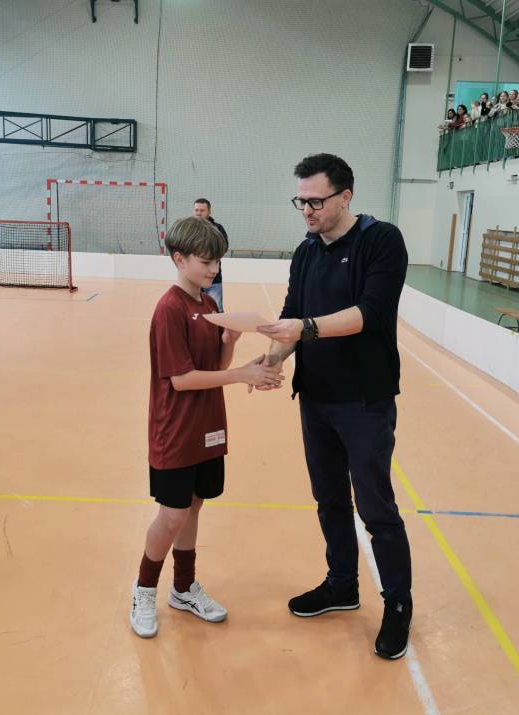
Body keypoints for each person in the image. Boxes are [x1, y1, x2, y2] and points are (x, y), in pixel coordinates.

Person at [256, 154, 413, 660]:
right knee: (329, 501)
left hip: (365, 401)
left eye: (316, 201)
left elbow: (370, 314)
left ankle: (398, 604)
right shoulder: (306, 252)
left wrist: (305, 328)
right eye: (301, 201)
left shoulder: (381, 240)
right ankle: (342, 584)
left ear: (345, 196)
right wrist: (272, 358)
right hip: (316, 399)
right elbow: (291, 315)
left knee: (376, 508)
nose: (306, 210)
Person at [129, 216, 282, 639]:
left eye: (217, 262)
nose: (214, 269)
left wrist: (231, 346)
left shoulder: (210, 307)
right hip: (175, 430)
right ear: (179, 259)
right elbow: (181, 379)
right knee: (172, 513)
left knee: (194, 505)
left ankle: (183, 588)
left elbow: (214, 366)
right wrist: (241, 376)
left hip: (208, 426)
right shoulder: (170, 309)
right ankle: (144, 590)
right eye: (205, 261)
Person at [192, 199, 228, 312]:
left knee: (216, 310)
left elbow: (223, 247)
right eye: (196, 210)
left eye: (202, 210)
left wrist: (203, 253)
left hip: (213, 279)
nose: (198, 213)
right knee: (194, 312)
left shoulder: (217, 228)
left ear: (209, 212)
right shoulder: (188, 230)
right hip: (194, 279)